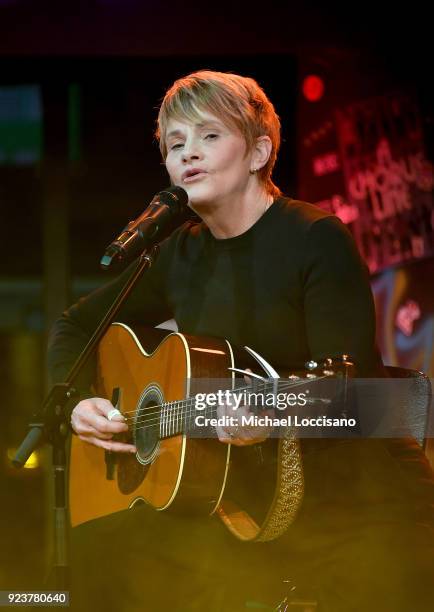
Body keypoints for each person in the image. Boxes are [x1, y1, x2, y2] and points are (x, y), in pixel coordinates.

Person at [47, 70, 434, 611]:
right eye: (175, 144)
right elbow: (73, 325)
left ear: (258, 152)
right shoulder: (176, 254)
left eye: (208, 136)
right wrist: (77, 405)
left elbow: (361, 400)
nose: (188, 154)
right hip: (247, 515)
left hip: (356, 515)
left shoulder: (315, 240)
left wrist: (272, 416)